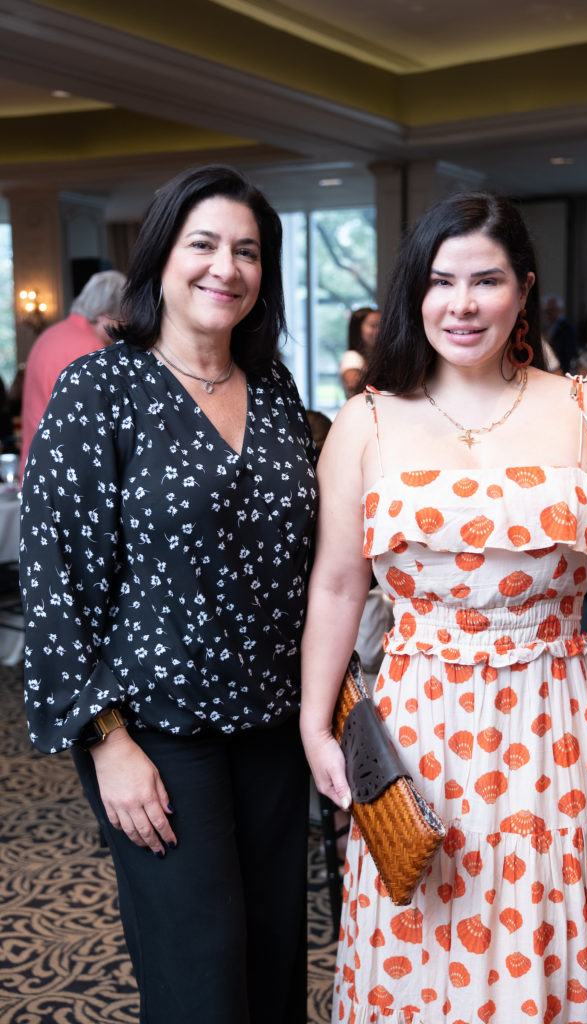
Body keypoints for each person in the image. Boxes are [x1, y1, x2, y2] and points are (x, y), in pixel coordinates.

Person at [300, 192, 587, 1022]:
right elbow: (337, 584)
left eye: (485, 281)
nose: (460, 305)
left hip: (556, 719)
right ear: (411, 295)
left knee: (551, 932)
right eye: (438, 282)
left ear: (523, 290)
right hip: (416, 725)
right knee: (422, 943)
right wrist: (315, 725)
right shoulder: (366, 421)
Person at [20, 165, 318, 1024]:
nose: (226, 267)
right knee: (199, 979)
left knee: (271, 965)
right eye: (204, 245)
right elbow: (54, 583)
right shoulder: (99, 390)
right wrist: (105, 741)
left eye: (247, 251)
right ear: (161, 259)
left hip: (270, 725)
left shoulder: (273, 391)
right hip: (154, 732)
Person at [19, 269, 126, 477]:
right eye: (123, 318)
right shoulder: (91, 350)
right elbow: (98, 428)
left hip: (36, 469)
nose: (124, 329)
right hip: (67, 475)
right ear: (106, 314)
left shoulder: (50, 334)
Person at [339, 306, 381, 398]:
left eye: (381, 325)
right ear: (358, 329)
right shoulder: (352, 357)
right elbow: (354, 387)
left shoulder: (377, 356)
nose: (379, 330)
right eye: (373, 326)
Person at [541, 293, 578, 374]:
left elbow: (569, 353)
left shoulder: (567, 328)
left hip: (562, 369)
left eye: (552, 310)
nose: (549, 313)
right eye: (547, 311)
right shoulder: (546, 326)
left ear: (560, 310)